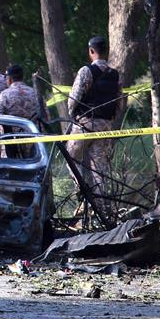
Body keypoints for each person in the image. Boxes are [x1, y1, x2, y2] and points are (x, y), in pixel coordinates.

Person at [66, 36, 122, 221]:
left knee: (72, 157)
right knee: (100, 169)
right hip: (105, 127)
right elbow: (119, 102)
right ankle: (102, 211)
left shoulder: (86, 71)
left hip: (84, 125)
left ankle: (82, 196)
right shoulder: (115, 74)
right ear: (105, 51)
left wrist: (72, 114)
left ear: (91, 51)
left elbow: (73, 100)